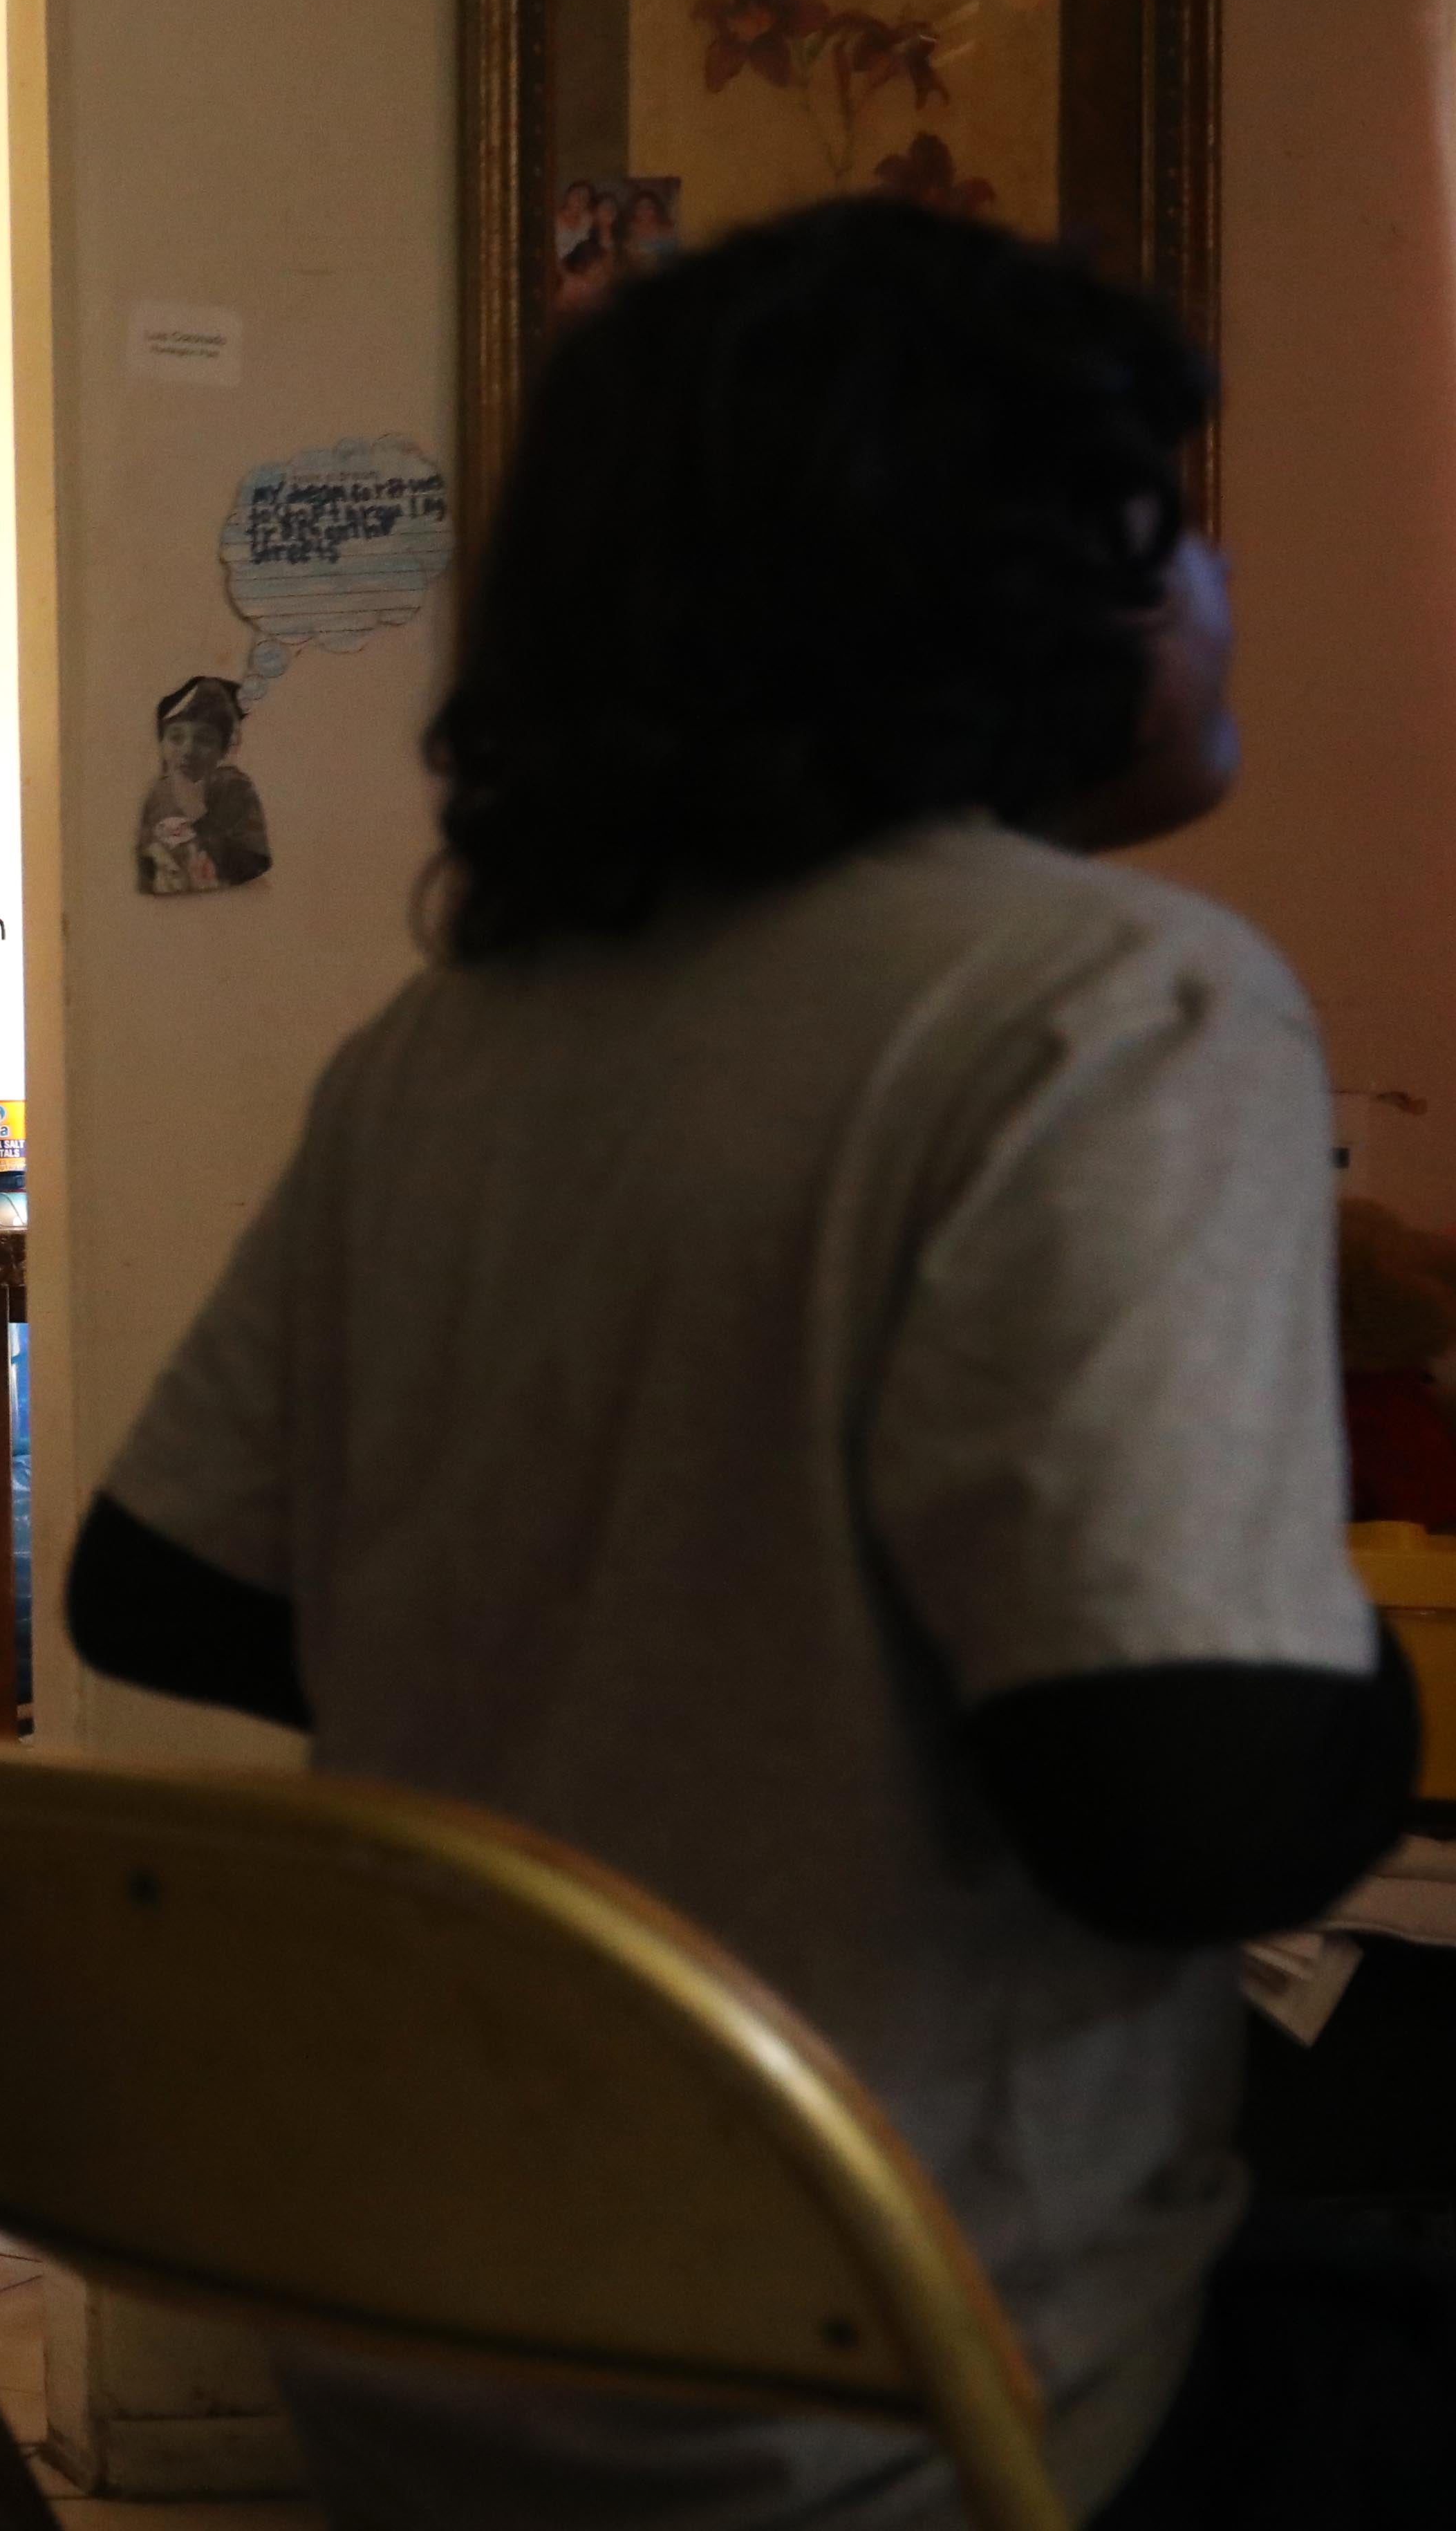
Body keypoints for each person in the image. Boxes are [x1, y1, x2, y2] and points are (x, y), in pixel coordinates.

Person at [72, 196, 1442, 2525]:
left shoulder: (463, 1034)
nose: (1215, 592)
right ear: (1020, 583)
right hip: (909, 2381)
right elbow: (1187, 1799)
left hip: (433, 2348)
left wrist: (665, 1658)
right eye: (1164, 529)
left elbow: (164, 1585)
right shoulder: (1115, 995)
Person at [136, 674, 269, 894]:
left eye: (204, 739)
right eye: (176, 737)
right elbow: (145, 869)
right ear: (162, 745)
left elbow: (251, 868)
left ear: (223, 750)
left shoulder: (237, 790)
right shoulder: (158, 794)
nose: (188, 750)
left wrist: (199, 816)